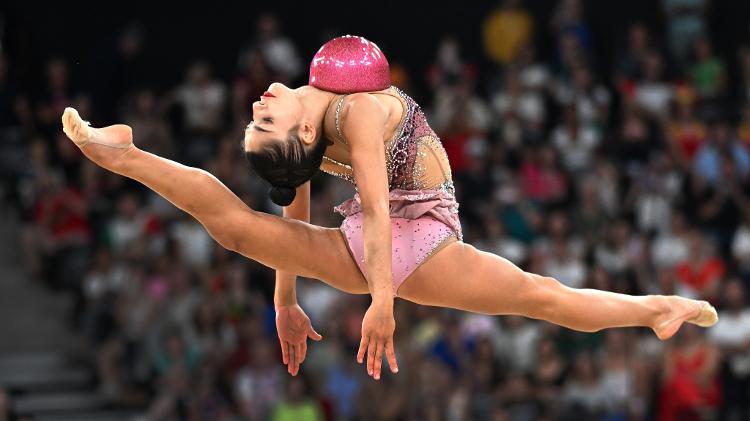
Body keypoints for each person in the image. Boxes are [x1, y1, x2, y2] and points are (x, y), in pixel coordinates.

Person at [61, 35, 718, 382]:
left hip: (414, 228)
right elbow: (334, 204)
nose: (259, 105)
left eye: (257, 119)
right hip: (392, 235)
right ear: (303, 138)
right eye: (266, 121)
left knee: (539, 294)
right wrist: (287, 298)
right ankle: (119, 152)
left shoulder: (350, 108)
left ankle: (655, 309)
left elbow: (373, 206)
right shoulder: (343, 114)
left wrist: (379, 297)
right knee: (236, 229)